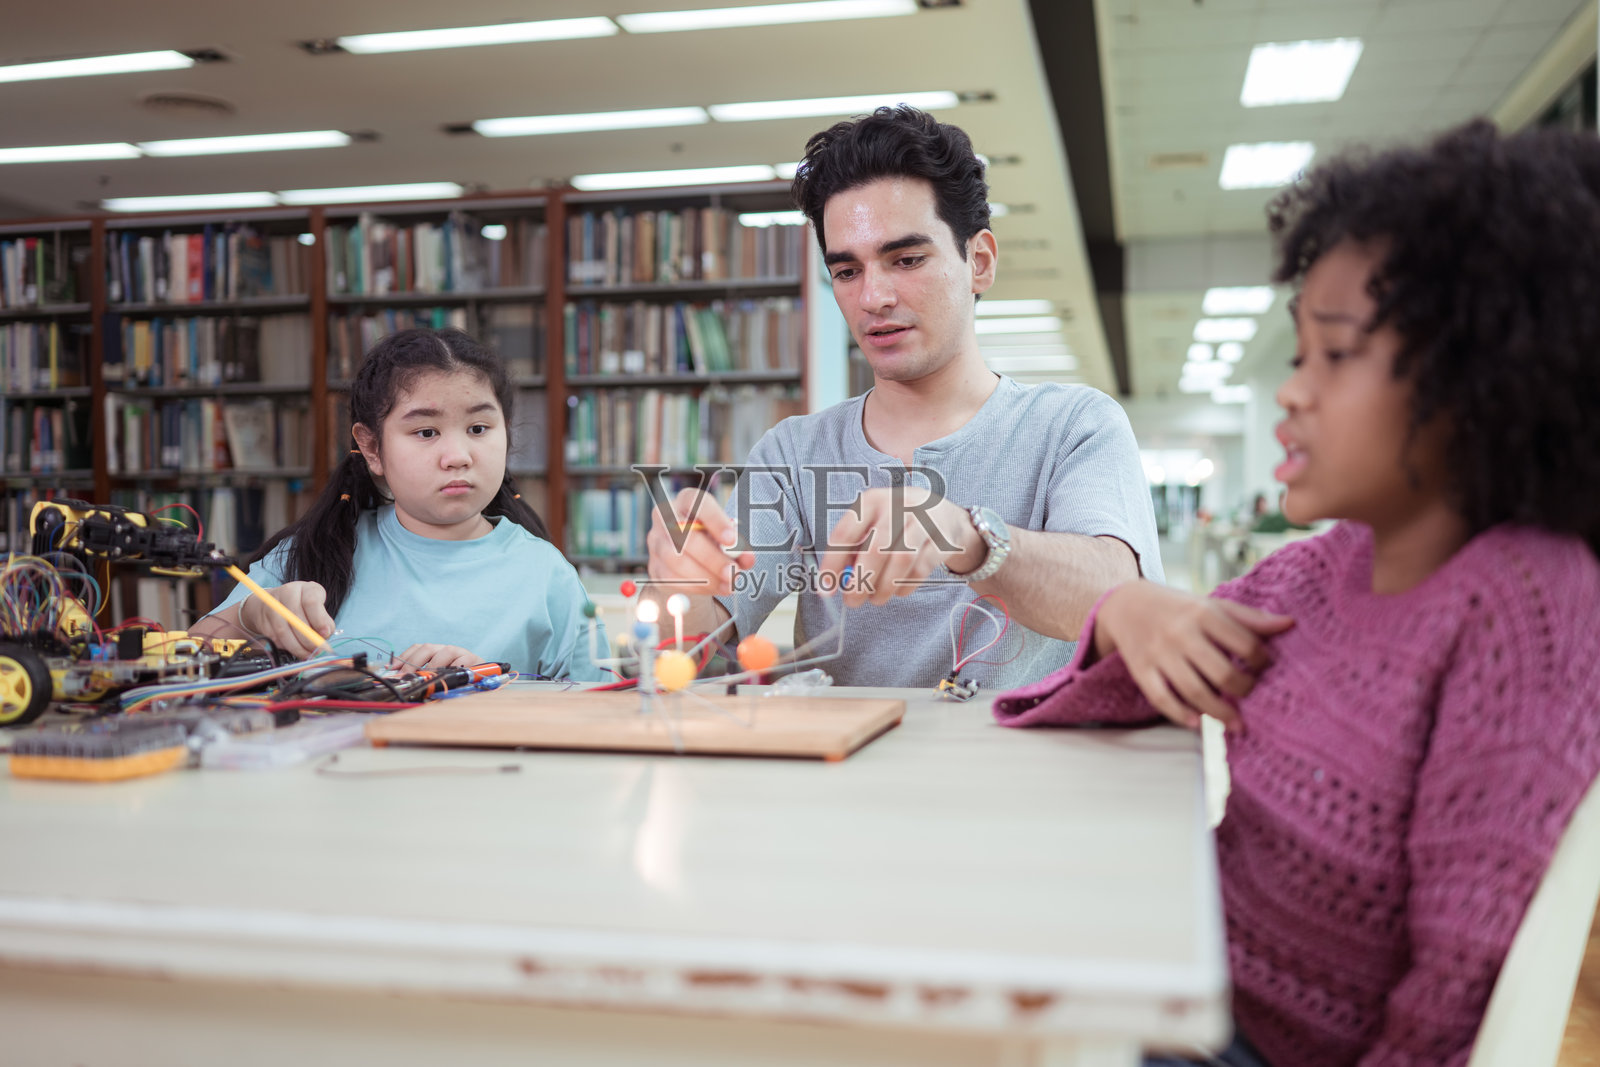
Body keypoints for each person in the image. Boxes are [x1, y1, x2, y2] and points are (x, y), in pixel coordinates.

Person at [993, 119, 1600, 1067]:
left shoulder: (1524, 601)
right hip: (1193, 984)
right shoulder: (1315, 571)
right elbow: (1117, 701)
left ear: (1481, 370)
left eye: (1334, 354)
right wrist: (1127, 611)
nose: (1290, 391)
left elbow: (1457, 993)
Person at [644, 106, 1161, 689]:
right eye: (846, 271)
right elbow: (698, 643)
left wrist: (967, 536)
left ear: (980, 262)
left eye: (907, 259)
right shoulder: (793, 453)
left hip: (1024, 773)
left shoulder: (1074, 426)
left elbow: (1119, 597)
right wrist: (679, 582)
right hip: (844, 769)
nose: (874, 297)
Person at [191, 327, 607, 680]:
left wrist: (493, 686)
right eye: (426, 432)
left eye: (479, 428)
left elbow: (598, 711)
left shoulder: (545, 574)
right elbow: (182, 660)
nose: (458, 455)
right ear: (371, 448)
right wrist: (249, 618)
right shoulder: (315, 553)